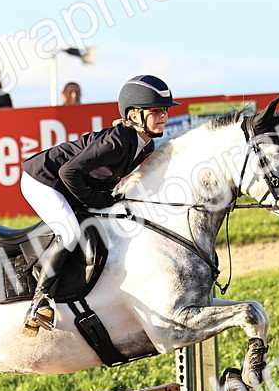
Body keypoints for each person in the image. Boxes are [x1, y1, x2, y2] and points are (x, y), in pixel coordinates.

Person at [17, 74, 178, 335]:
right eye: (156, 111)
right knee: (69, 233)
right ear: (135, 115)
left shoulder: (146, 145)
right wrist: (101, 200)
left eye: (165, 111)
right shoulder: (117, 140)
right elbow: (69, 173)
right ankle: (39, 301)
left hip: (65, 181)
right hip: (43, 179)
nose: (163, 116)